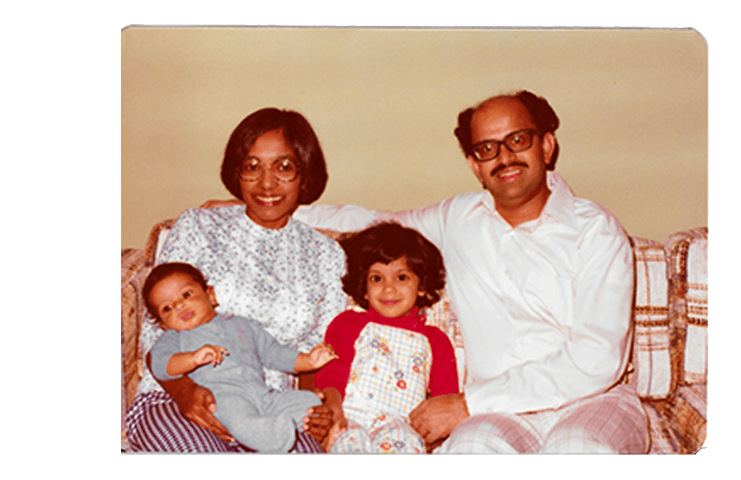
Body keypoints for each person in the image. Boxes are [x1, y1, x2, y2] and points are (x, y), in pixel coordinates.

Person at [289, 90, 651, 453]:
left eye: (518, 140)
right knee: (472, 446)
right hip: (498, 415)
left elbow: (596, 358)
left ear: (547, 146)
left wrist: (469, 403)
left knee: (576, 447)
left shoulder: (596, 230)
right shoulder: (458, 219)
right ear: (474, 165)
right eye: (487, 149)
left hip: (593, 401)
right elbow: (368, 222)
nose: (505, 157)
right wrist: (262, 209)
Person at [125, 107, 348, 453]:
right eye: (252, 166)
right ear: (236, 173)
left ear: (306, 176)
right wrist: (184, 393)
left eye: (284, 167)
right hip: (178, 397)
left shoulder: (327, 253)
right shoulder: (199, 226)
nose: (267, 183)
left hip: (272, 409)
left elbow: (318, 348)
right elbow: (157, 325)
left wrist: (316, 408)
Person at [144, 262, 339, 453]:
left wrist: (308, 360)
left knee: (306, 403)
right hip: (222, 397)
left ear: (210, 295)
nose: (179, 306)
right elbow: (161, 365)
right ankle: (269, 439)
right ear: (163, 325)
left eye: (186, 294)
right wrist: (192, 359)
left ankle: (273, 430)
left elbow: (273, 352)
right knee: (240, 418)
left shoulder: (242, 324)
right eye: (167, 308)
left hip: (262, 393)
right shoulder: (175, 337)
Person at [314, 222, 459, 453]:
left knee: (404, 445)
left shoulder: (435, 339)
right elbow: (332, 374)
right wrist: (333, 411)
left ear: (421, 286)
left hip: (402, 424)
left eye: (401, 277)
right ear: (363, 287)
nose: (388, 289)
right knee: (347, 445)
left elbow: (444, 396)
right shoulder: (348, 323)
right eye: (377, 279)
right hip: (349, 417)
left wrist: (439, 440)